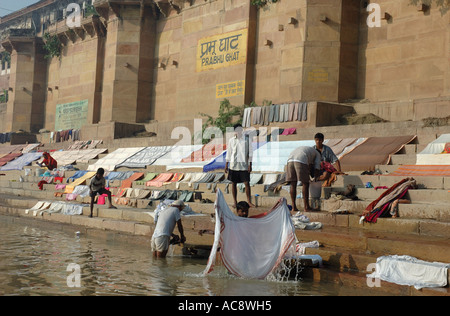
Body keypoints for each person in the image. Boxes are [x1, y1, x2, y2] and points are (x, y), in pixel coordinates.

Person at [225, 123, 255, 209]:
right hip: (233, 165)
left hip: (244, 165)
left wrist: (250, 164)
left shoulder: (246, 140)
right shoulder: (231, 140)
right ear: (235, 131)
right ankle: (235, 201)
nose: (238, 132)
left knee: (246, 183)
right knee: (233, 183)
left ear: (242, 130)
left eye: (240, 130)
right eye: (236, 130)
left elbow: (250, 153)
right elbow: (229, 152)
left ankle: (249, 201)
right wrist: (226, 164)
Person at [286, 146, 321, 213]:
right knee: (305, 183)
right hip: (301, 159)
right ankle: (306, 207)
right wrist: (315, 178)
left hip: (290, 159)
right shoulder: (318, 154)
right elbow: (316, 168)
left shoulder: (309, 151)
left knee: (293, 184)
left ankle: (294, 207)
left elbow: (310, 166)